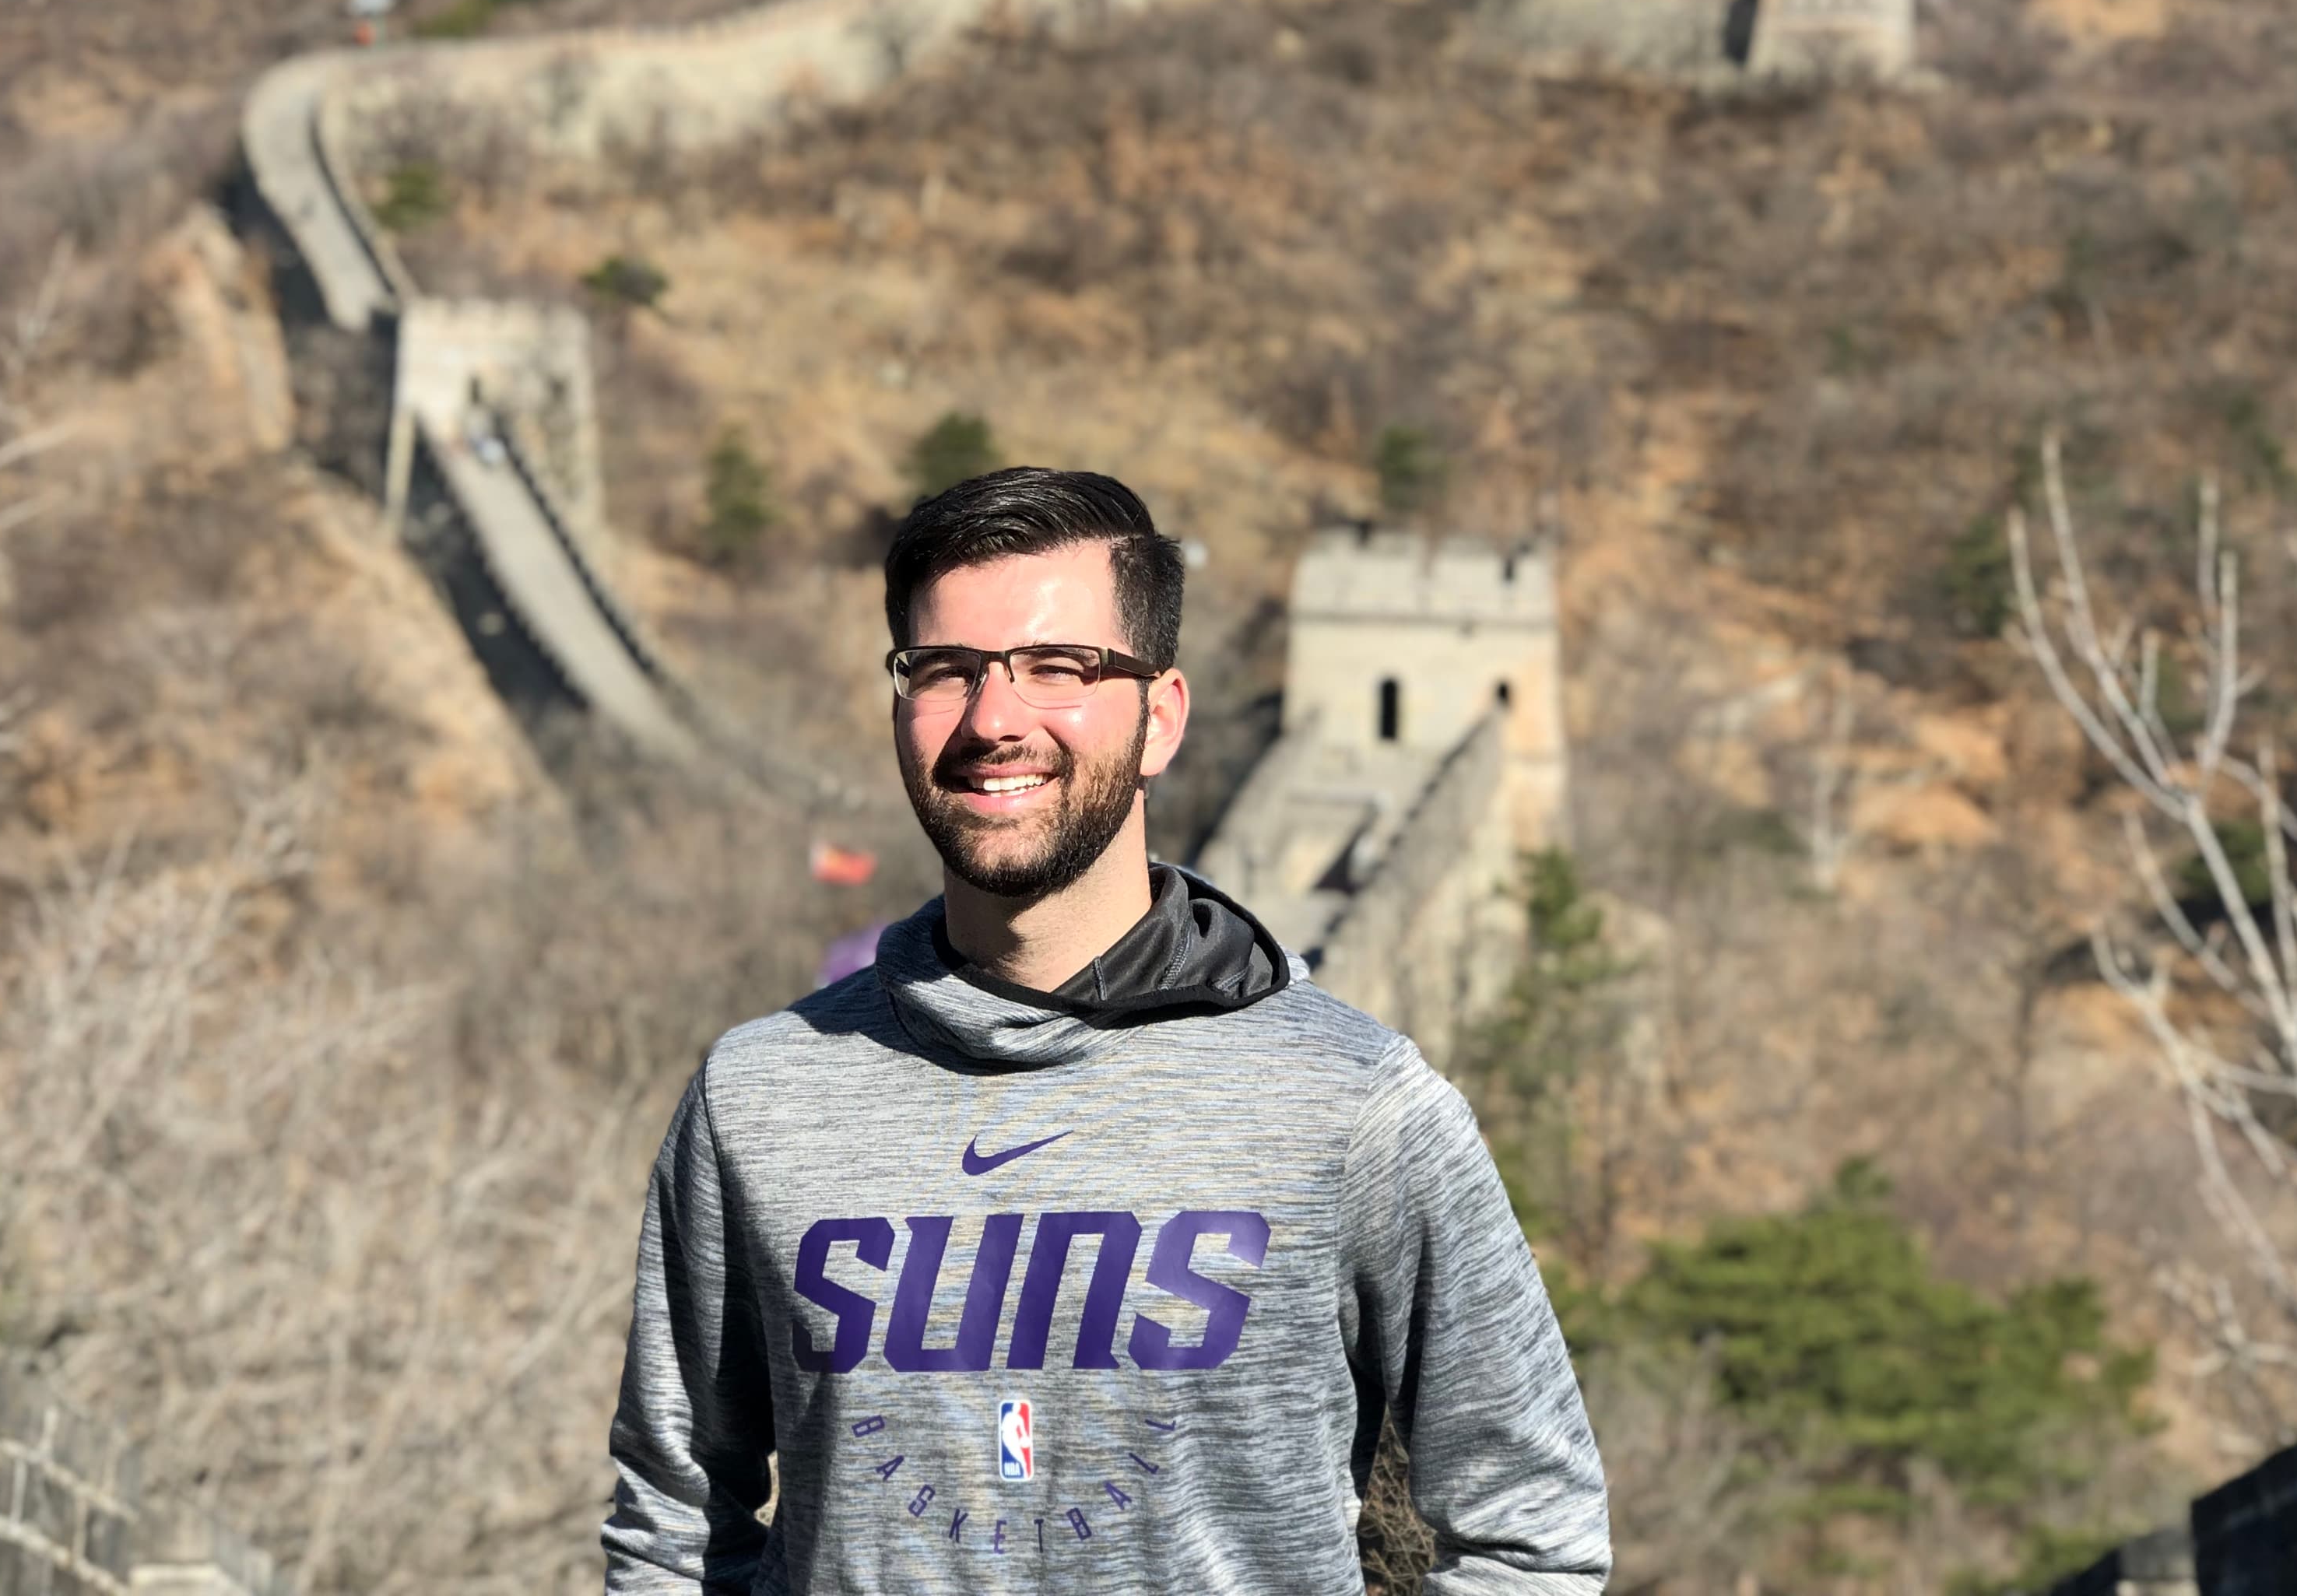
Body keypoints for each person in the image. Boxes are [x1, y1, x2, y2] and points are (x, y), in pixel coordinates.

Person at [600, 467, 1610, 1592]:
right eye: (946, 670)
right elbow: (673, 1522)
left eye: (1058, 668)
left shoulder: (1353, 1106)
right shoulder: (762, 1098)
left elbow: (1534, 1529)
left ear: (1159, 717)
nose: (994, 719)